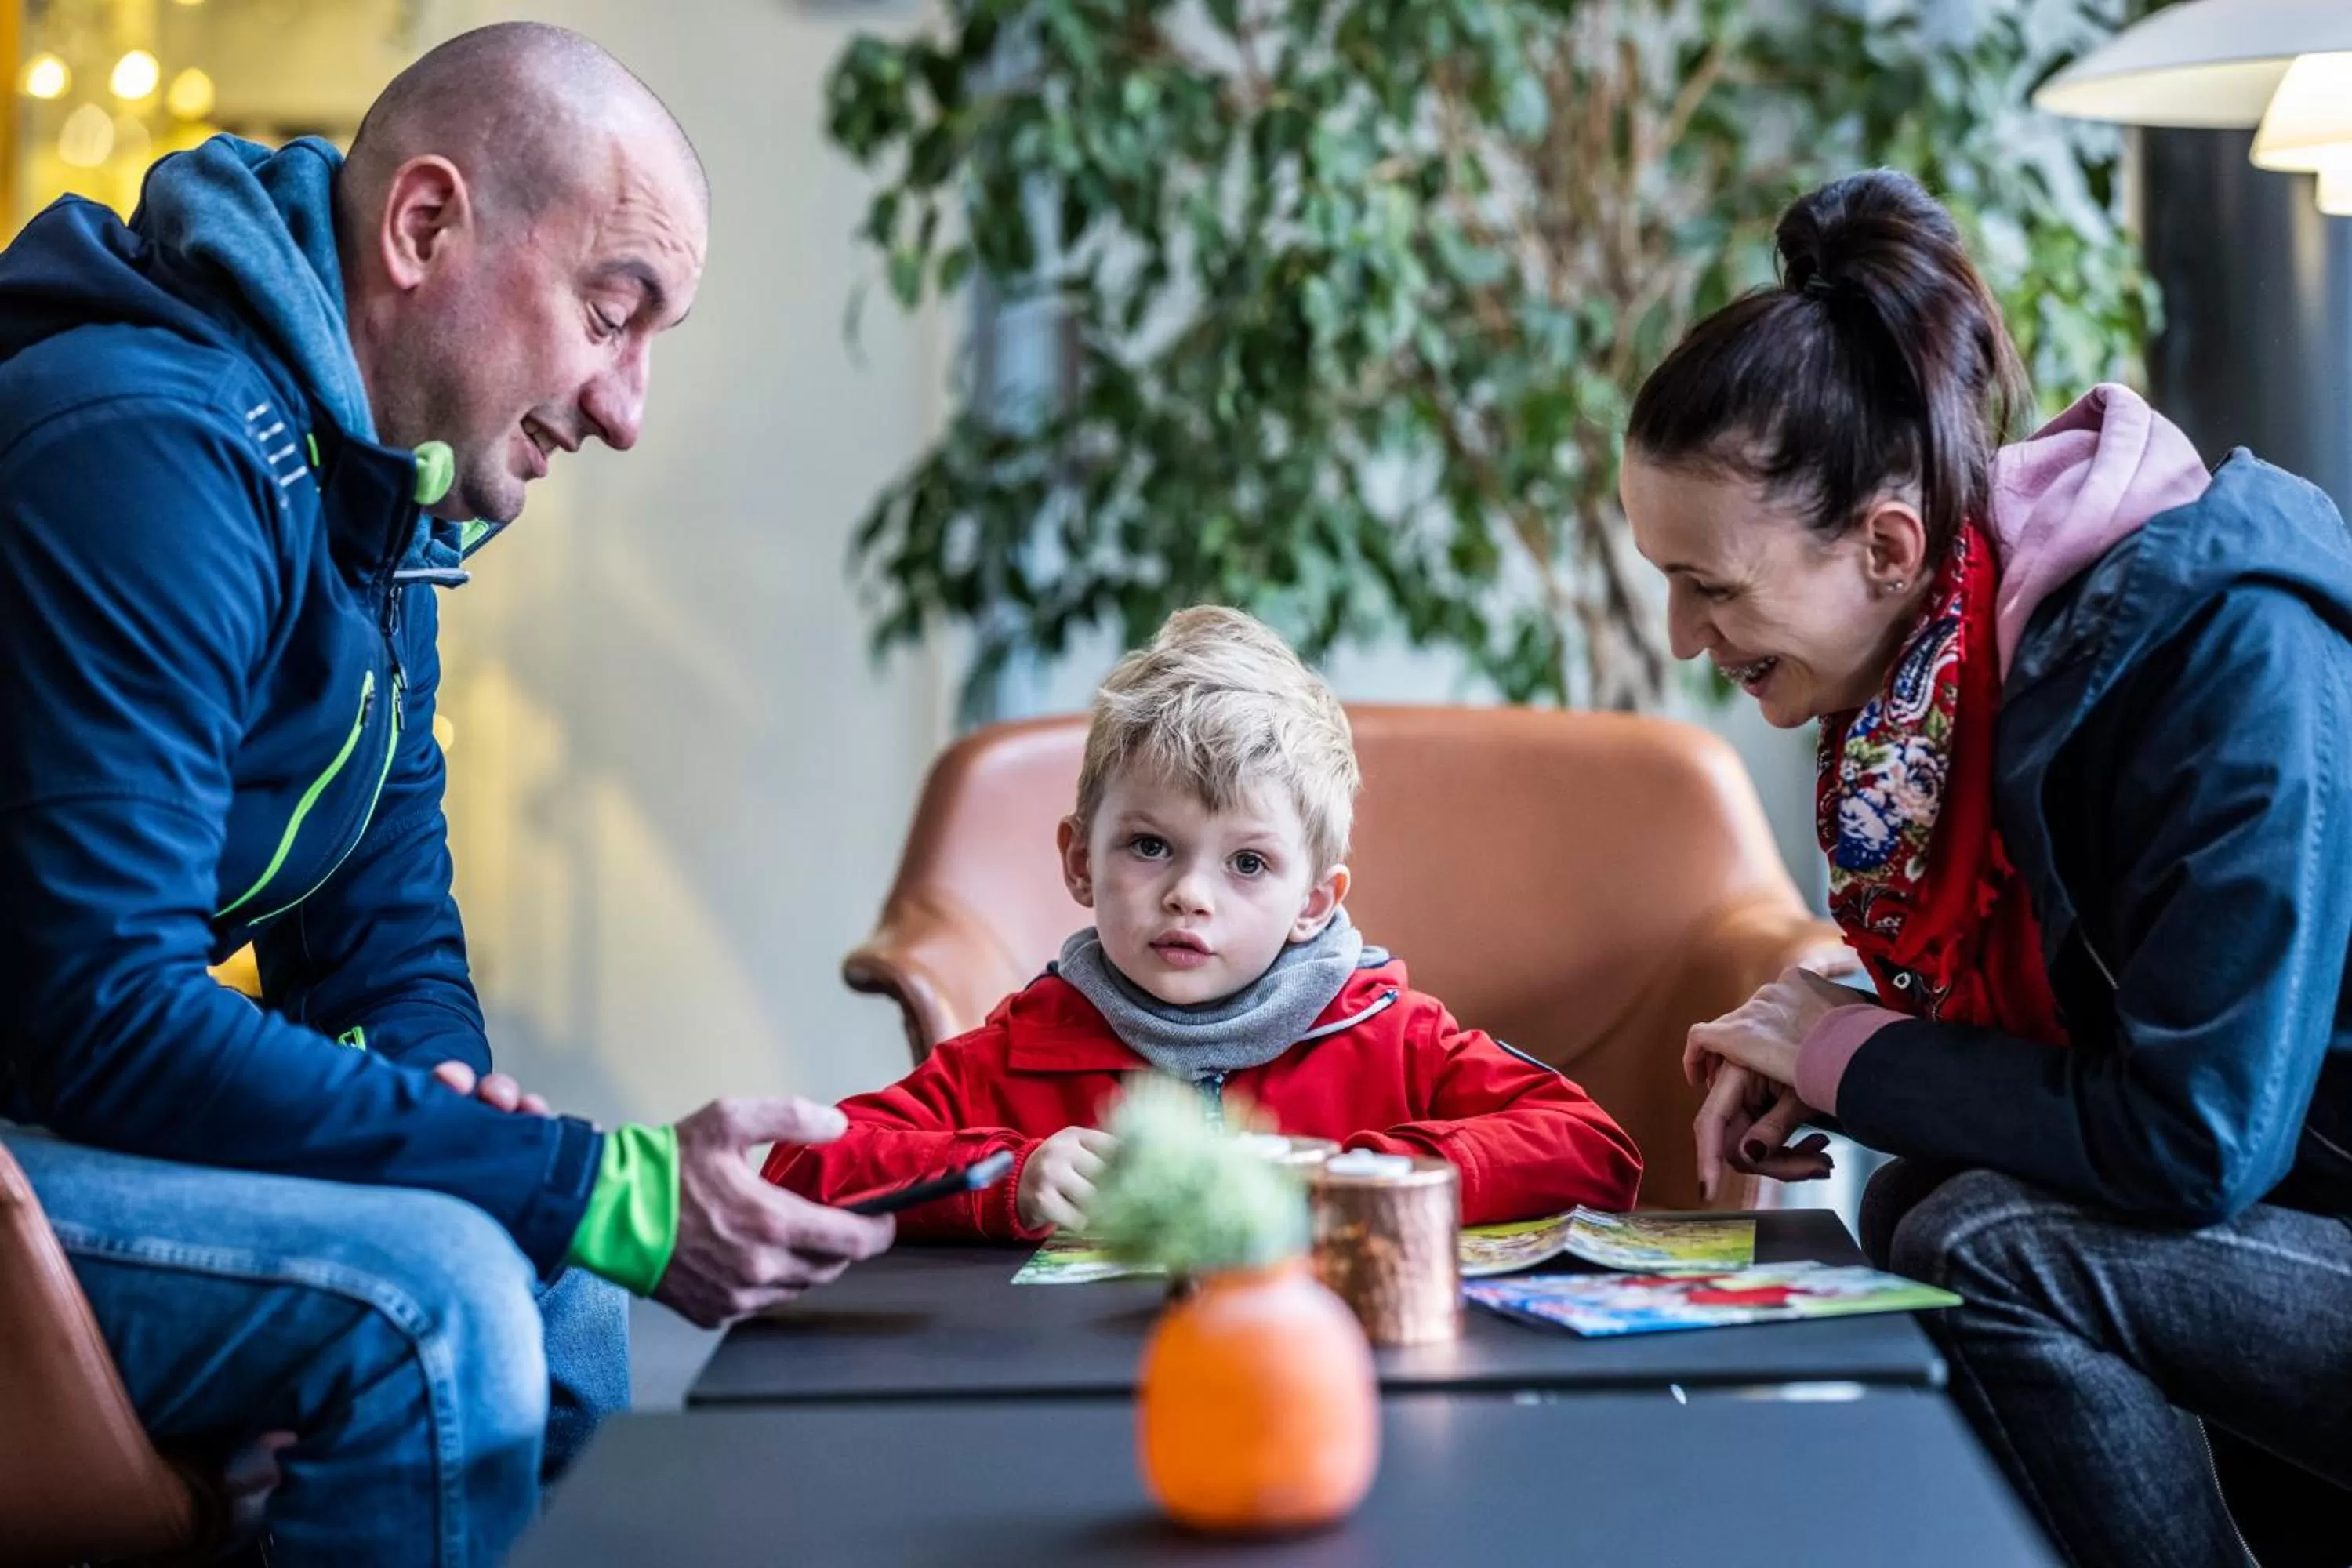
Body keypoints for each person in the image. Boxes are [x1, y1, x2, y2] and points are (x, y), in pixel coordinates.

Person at [0, 23, 891, 1566]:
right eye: (612, 315)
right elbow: (100, 1010)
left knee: (546, 1269)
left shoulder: (372, 496)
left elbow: (385, 941)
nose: (627, 408)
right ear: (425, 228)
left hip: (55, 1119)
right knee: (442, 1304)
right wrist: (583, 1180)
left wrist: (477, 1120)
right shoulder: (146, 450)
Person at [1621, 168, 2352, 1566]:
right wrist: (1833, 1025)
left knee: (1982, 1247)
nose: (1678, 635)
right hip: (2301, 1223)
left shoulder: (2220, 654)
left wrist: (1853, 1054)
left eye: (1709, 584)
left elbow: (2196, 1135)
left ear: (1888, 546)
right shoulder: (1951, 688)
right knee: (1912, 1208)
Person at [765, 607, 1643, 1231]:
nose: (1191, 893)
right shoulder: (1022, 1047)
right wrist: (1007, 1177)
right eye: (1149, 846)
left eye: (1248, 863)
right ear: (1079, 860)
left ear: (1314, 903)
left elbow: (1592, 1148)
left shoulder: (1393, 1035)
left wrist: (1360, 1176)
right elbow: (795, 1166)